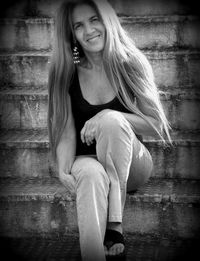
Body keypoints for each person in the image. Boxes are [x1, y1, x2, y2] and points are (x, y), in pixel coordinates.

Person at [47, 0, 172, 260]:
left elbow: (156, 125)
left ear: (107, 19)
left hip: (131, 166)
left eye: (94, 19)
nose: (89, 30)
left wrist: (111, 114)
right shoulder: (66, 73)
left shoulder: (130, 63)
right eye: (78, 26)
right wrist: (63, 168)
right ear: (72, 35)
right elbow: (67, 129)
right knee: (91, 175)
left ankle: (114, 225)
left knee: (112, 121)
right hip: (87, 158)